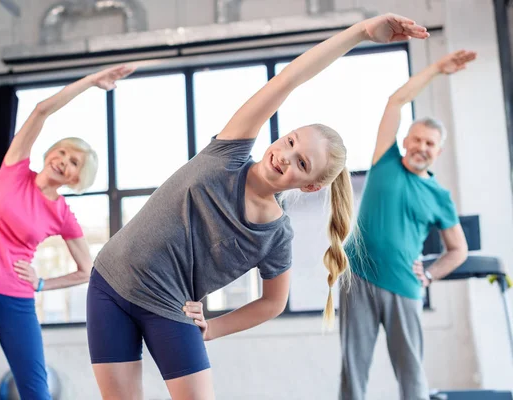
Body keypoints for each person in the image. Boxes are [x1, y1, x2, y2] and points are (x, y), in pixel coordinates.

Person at [86, 13, 429, 400]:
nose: (286, 156)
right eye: (290, 142)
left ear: (311, 185)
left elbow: (273, 302)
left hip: (168, 304)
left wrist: (213, 327)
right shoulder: (228, 154)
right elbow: (289, 79)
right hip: (110, 282)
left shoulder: (276, 236)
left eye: (302, 163)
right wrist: (360, 32)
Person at [0, 65, 134, 399]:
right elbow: (41, 110)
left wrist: (41, 283)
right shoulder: (14, 168)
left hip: (14, 304)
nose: (64, 160)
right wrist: (91, 80)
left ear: (77, 179)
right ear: (50, 153)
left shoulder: (62, 214)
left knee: (35, 391)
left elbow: (87, 271)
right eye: (62, 151)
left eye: (74, 162)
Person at [339, 50, 476, 400]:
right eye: (416, 139)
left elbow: (458, 249)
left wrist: (429, 274)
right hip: (358, 278)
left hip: (404, 287)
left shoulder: (440, 196)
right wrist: (436, 69)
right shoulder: (385, 162)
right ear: (404, 142)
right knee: (353, 371)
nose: (421, 146)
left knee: (411, 373)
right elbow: (395, 101)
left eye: (430, 143)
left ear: (438, 152)